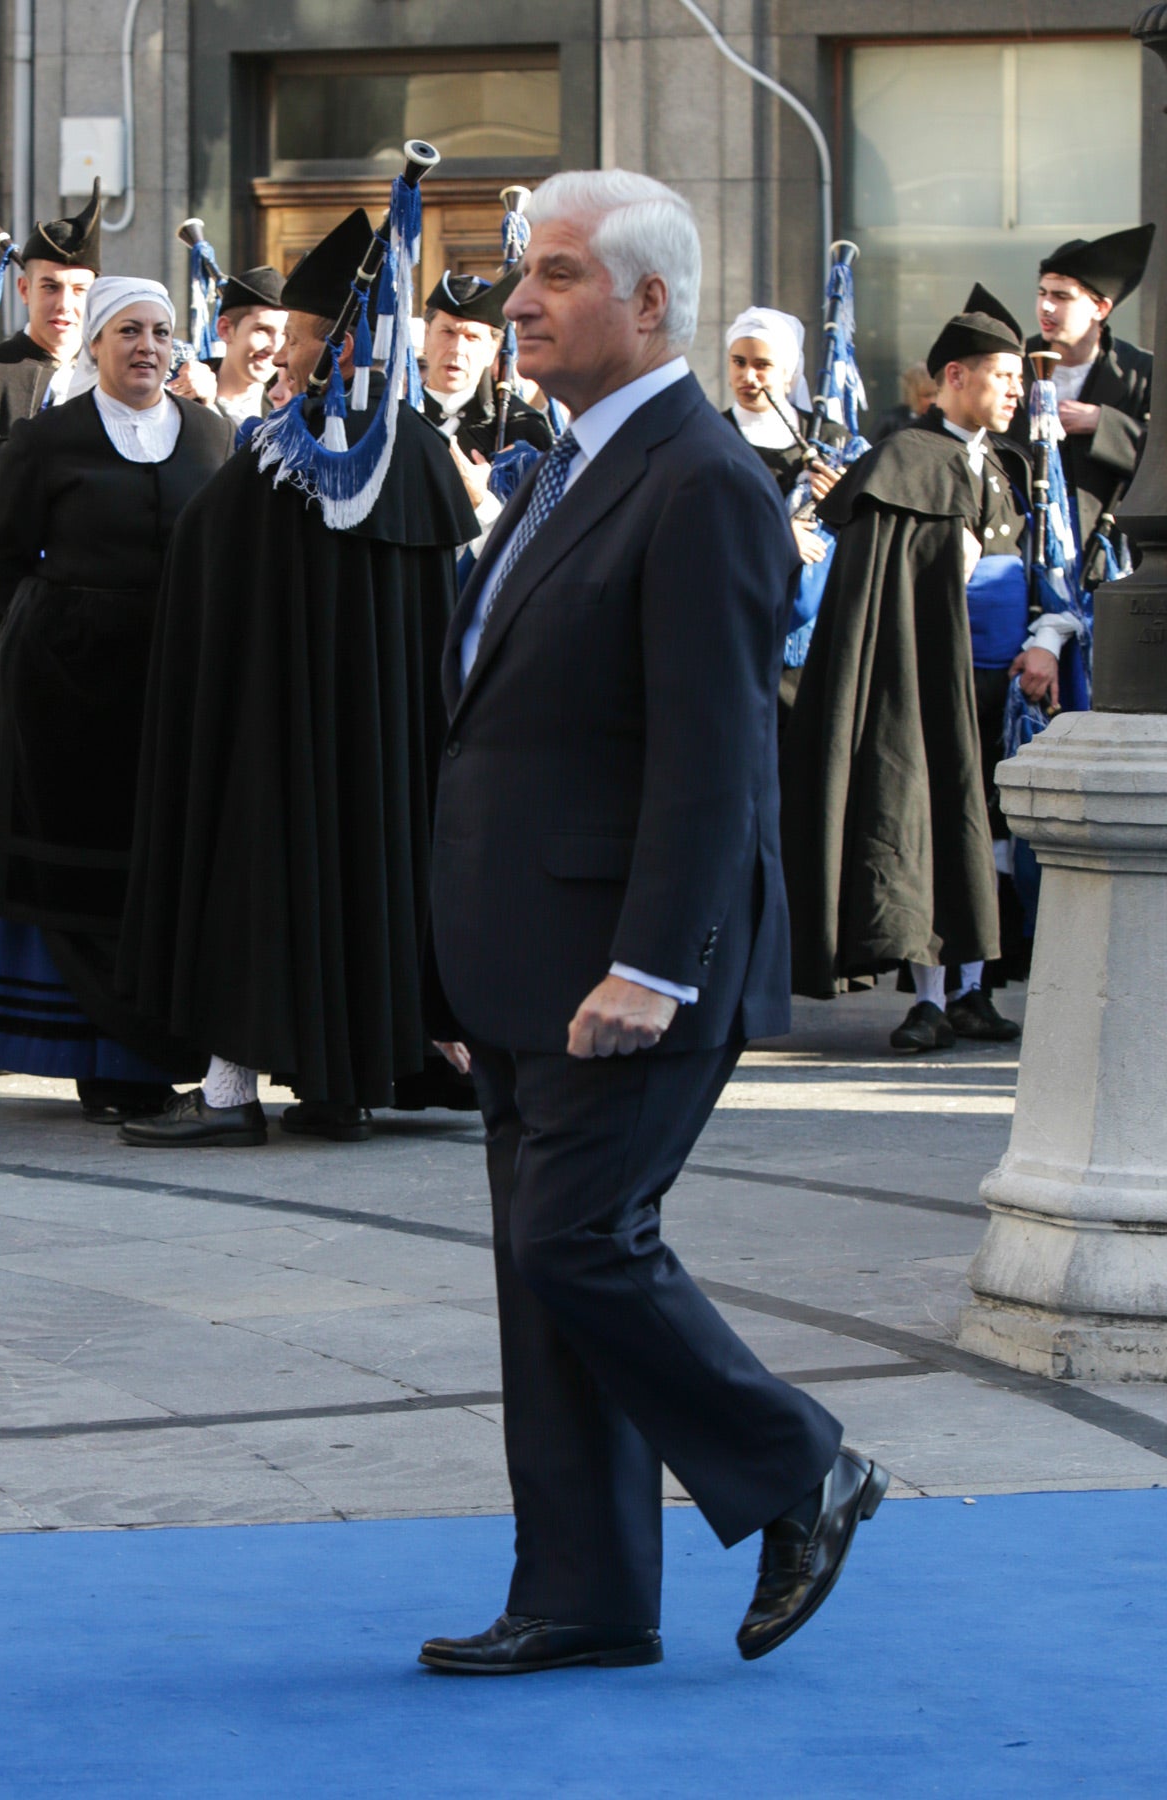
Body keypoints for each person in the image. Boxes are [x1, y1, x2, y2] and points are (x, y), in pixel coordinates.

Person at [418, 169, 887, 1677]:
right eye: (520, 275)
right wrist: (465, 959)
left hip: (629, 965)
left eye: (555, 273)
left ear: (648, 302)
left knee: (580, 1246)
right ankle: (587, 1594)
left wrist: (650, 965)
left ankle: (799, 1465)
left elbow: (715, 760)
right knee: (542, 1278)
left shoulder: (700, 478)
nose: (521, 302)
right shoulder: (568, 463)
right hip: (524, 963)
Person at [113, 209, 478, 1149]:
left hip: (280, 739)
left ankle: (234, 1094)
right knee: (371, 877)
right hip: (389, 751)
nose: (285, 357)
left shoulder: (288, 456)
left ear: (343, 341)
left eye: (307, 338)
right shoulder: (422, 455)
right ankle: (340, 1086)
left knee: (264, 885)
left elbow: (205, 568)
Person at [0, 277, 233, 1118]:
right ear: (94, 344)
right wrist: (45, 641)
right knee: (84, 871)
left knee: (161, 864)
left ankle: (159, 1042)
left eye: (161, 332)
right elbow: (0, 560)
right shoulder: (47, 440)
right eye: (128, 331)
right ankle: (98, 1054)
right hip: (70, 695)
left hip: (176, 685)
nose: (148, 347)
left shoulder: (209, 433)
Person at [781, 291, 1030, 1053]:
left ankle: (971, 989)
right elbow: (887, 591)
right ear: (956, 376)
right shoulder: (903, 460)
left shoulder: (1008, 464)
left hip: (996, 686)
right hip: (921, 681)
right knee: (921, 827)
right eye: (1005, 377)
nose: (1018, 392)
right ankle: (927, 994)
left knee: (984, 833)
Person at [0, 183, 102, 1070]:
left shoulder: (128, 386)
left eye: (80, 291)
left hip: (87, 657)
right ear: (24, 291)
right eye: (49, 287)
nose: (63, 306)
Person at [1010, 225, 1154, 713]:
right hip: (1025, 557)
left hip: (1110, 566)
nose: (1046, 308)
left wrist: (1104, 423)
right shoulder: (1015, 363)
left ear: (1100, 308)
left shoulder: (1140, 373)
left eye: (1062, 297)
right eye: (1042, 294)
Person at [723, 306, 846, 732]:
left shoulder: (829, 440)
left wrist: (842, 498)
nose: (748, 377)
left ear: (789, 373)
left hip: (811, 636)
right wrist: (776, 536)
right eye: (739, 363)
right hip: (738, 627)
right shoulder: (711, 435)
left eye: (762, 365)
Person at [421, 271, 553, 537]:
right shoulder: (394, 418)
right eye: (447, 331)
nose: (457, 349)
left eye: (472, 338)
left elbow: (540, 538)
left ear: (493, 350)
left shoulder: (522, 428)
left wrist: (483, 502)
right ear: (426, 336)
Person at [170, 266, 288, 426]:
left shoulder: (288, 406)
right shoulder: (184, 392)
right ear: (225, 329)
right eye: (262, 330)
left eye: (285, 334)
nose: (274, 347)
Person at [873, 361, 937, 442]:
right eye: (927, 395)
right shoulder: (891, 422)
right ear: (913, 395)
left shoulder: (945, 422)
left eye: (937, 394)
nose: (933, 401)